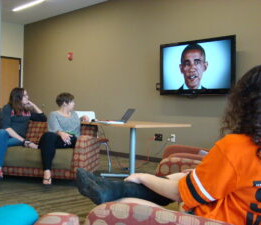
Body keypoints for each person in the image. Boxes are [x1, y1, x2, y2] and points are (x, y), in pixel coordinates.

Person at [76, 65, 261, 225]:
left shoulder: (236, 147)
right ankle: (111, 188)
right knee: (183, 175)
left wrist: (142, 176)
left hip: (206, 219)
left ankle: (116, 190)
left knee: (124, 202)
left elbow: (181, 192)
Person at [0, 88, 46, 193]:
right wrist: (25, 141)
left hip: (15, 140)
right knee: (2, 133)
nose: (27, 97)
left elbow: (43, 118)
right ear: (18, 97)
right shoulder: (7, 108)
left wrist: (33, 105)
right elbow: (6, 127)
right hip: (2, 136)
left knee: (0, 146)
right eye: (25, 95)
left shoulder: (27, 111)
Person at [38, 92, 89, 185]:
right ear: (65, 103)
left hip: (72, 140)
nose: (74, 103)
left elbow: (74, 122)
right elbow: (53, 129)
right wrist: (60, 133)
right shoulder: (54, 114)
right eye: (72, 101)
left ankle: (39, 147)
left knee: (72, 138)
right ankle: (47, 171)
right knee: (48, 135)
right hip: (57, 139)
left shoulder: (74, 114)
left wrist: (82, 117)